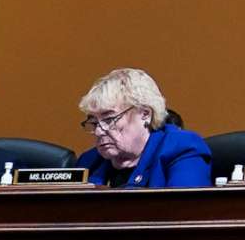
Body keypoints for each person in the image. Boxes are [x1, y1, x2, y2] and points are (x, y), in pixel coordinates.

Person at [72, 68, 211, 188]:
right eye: (94, 122)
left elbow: (184, 212)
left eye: (109, 119)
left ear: (145, 114)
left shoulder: (181, 149)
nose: (98, 131)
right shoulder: (89, 161)